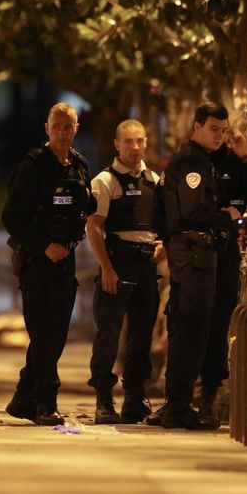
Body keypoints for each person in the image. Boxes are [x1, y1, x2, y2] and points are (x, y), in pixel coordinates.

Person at [149, 102, 247, 429]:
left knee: (214, 326)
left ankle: (200, 402)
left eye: (224, 131)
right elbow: (184, 210)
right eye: (214, 129)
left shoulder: (224, 160)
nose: (219, 136)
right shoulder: (190, 160)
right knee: (189, 325)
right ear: (197, 127)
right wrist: (225, 217)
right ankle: (178, 403)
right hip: (195, 252)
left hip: (219, 253)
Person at [1, 103, 93, 426]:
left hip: (66, 262)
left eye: (68, 127)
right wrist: (44, 246)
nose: (62, 133)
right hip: (37, 264)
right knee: (43, 335)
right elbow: (12, 218)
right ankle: (45, 402)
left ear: (76, 129)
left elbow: (83, 208)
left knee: (56, 336)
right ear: (47, 128)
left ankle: (23, 398)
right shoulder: (32, 166)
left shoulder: (79, 165)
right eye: (57, 127)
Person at [85, 119, 164, 424]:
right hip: (118, 261)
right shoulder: (105, 181)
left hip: (146, 265)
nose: (135, 147)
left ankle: (135, 398)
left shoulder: (154, 180)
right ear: (116, 144)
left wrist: (162, 244)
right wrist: (107, 268)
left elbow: (163, 224)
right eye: (128, 141)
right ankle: (104, 400)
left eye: (140, 141)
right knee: (109, 333)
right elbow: (94, 227)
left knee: (142, 335)